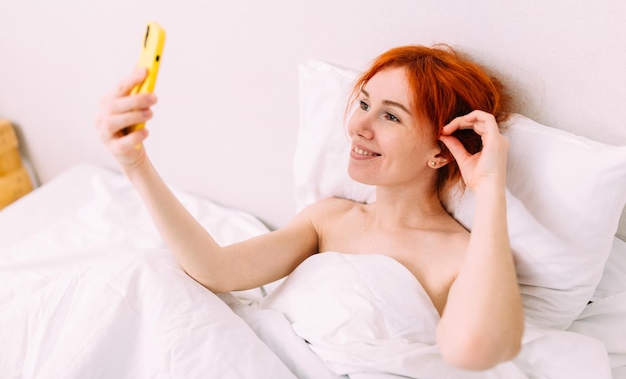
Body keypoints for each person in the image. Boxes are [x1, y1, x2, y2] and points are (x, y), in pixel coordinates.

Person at [95, 44, 524, 371]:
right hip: (250, 357)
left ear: (441, 152)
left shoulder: (461, 254)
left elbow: (483, 348)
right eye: (363, 104)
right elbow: (218, 271)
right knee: (147, 273)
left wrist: (489, 189)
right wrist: (136, 165)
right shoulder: (330, 218)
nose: (359, 126)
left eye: (390, 117)